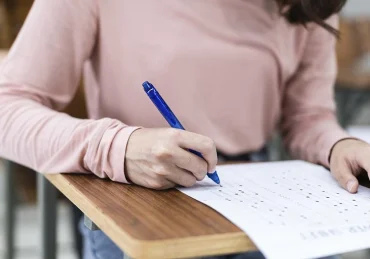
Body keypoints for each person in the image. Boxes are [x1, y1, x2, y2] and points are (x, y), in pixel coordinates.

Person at [0, 0, 367, 258]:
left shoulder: (311, 5)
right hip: (136, 202)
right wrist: (117, 146)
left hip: (262, 204)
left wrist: (339, 145)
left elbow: (308, 117)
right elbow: (7, 109)